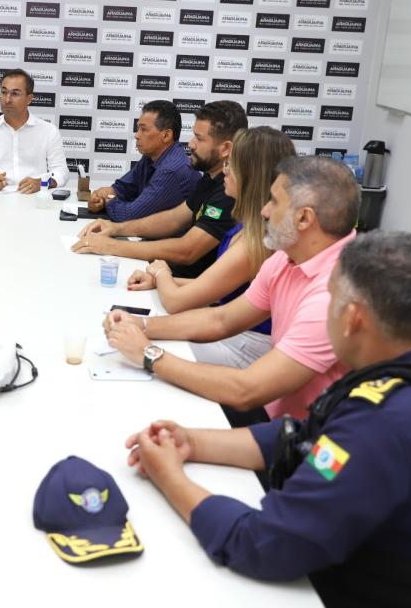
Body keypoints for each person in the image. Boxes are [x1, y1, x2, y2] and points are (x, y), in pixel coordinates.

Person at [124, 231, 411, 607]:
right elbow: (310, 436)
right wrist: (195, 441)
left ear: (352, 319)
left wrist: (168, 476)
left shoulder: (381, 423)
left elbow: (264, 545)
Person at [104, 156, 359, 422]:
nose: (265, 211)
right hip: (278, 422)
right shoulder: (288, 256)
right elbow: (221, 319)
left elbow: (246, 389)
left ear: (304, 218)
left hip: (308, 441)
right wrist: (141, 325)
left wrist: (148, 354)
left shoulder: (334, 295)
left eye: (274, 202)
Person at [126, 127, 296, 374]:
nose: (224, 171)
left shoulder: (255, 241)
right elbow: (212, 288)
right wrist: (161, 279)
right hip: (236, 336)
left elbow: (178, 303)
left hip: (247, 347)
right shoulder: (246, 226)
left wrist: (162, 274)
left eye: (231, 165)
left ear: (250, 175)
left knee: (141, 353)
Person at [73, 101, 247, 278]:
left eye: (199, 138)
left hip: (190, 287)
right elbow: (174, 219)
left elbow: (187, 250)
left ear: (225, 148)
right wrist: (116, 229)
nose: (191, 144)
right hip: (171, 276)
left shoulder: (229, 191)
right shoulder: (210, 178)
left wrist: (112, 246)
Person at [80, 100, 195, 222]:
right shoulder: (150, 157)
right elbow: (122, 189)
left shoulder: (172, 170)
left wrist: (108, 200)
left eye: (143, 130)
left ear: (166, 135)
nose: (137, 135)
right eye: (138, 129)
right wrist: (101, 198)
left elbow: (128, 215)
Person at [0, 68, 69, 194]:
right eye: (4, 92)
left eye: (15, 94)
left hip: (35, 200)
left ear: (29, 98)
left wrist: (42, 183)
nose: (7, 99)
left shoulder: (48, 131)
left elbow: (61, 172)